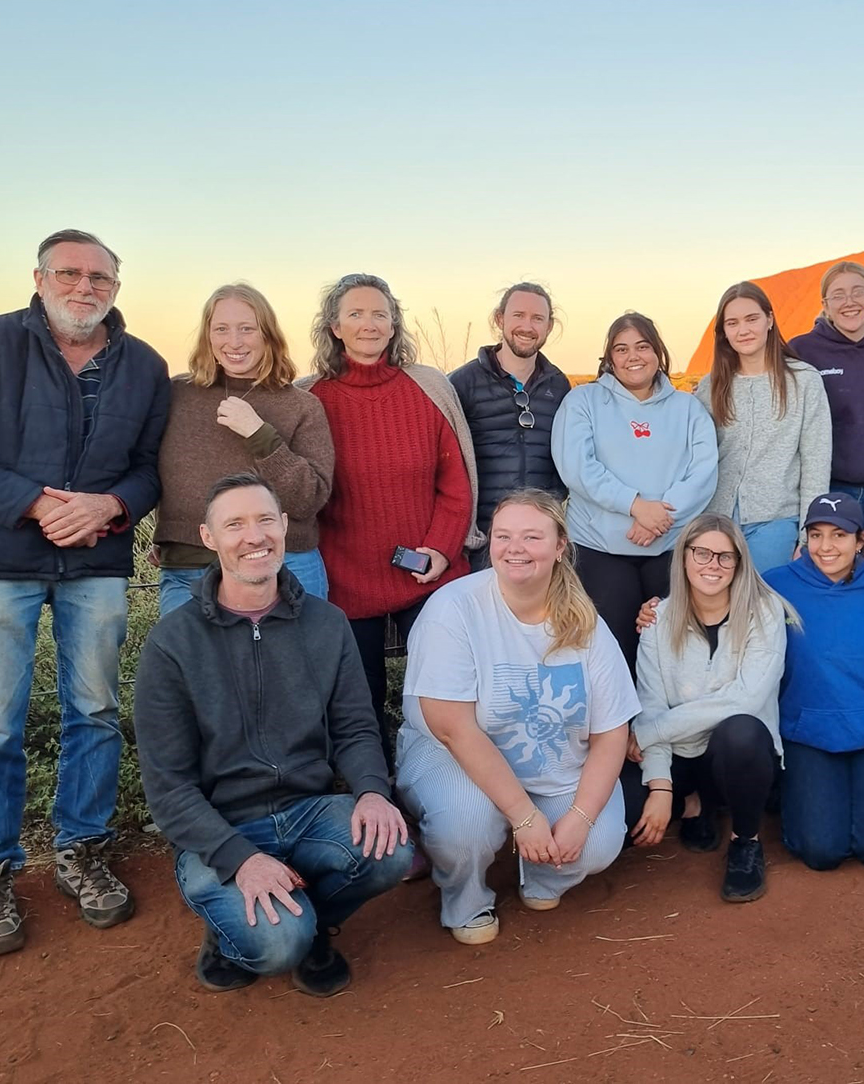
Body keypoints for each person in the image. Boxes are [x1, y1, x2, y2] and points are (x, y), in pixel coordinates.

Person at [0, 229, 169, 958]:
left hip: (93, 563)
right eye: (69, 272)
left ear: (116, 289)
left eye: (100, 277)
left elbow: (151, 470)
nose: (84, 286)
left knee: (93, 711)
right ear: (39, 278)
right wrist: (37, 503)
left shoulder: (145, 366)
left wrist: (109, 507)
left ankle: (83, 852)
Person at [135, 474, 410, 995]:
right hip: (222, 826)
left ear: (285, 526)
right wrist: (241, 859)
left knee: (389, 850)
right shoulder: (173, 642)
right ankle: (241, 932)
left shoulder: (328, 624)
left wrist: (373, 791)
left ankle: (313, 926)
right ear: (208, 537)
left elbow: (355, 727)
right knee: (278, 946)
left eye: (265, 520)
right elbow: (169, 787)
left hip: (308, 808)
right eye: (234, 524)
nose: (254, 536)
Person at [394, 490, 639, 944]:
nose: (515, 548)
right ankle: (465, 900)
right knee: (465, 824)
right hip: (455, 753)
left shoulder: (584, 620)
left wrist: (580, 818)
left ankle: (542, 872)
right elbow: (453, 728)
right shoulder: (453, 609)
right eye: (504, 536)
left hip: (548, 754)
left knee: (598, 842)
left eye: (532, 536)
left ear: (561, 546)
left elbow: (611, 732)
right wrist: (525, 817)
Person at [302, 273, 482, 759]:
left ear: (394, 323)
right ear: (335, 327)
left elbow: (456, 482)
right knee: (360, 701)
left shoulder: (428, 387)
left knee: (448, 691)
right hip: (345, 576)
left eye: (379, 313)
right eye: (355, 314)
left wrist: (443, 550)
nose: (369, 324)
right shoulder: (308, 397)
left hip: (426, 569)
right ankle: (376, 790)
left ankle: (450, 780)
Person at [621, 516, 792, 902]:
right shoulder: (658, 619)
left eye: (724, 557)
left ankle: (745, 840)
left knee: (742, 731)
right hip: (681, 757)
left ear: (739, 564)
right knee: (623, 823)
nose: (712, 565)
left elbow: (745, 699)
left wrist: (650, 734)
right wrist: (661, 788)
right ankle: (693, 803)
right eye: (702, 553)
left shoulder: (764, 613)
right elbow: (650, 706)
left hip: (734, 755)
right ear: (683, 558)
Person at [764, 493, 864, 873]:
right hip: (808, 730)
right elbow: (718, 607)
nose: (826, 546)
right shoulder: (773, 586)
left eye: (839, 535)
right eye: (816, 535)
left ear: (860, 540)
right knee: (821, 852)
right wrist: (657, 608)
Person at [153, 282, 334, 615]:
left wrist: (260, 434)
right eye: (221, 328)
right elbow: (153, 470)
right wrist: (166, 536)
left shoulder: (302, 406)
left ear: (267, 335)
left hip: (284, 566)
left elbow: (310, 499)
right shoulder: (176, 395)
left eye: (247, 329)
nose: (233, 342)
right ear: (207, 335)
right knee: (192, 668)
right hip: (188, 570)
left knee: (296, 667)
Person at [550, 312, 718, 667]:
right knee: (612, 650)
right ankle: (618, 723)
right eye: (621, 349)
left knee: (673, 649)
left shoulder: (688, 408)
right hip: (600, 548)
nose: (633, 357)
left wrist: (658, 514)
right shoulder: (583, 402)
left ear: (658, 352)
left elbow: (703, 473)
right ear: (609, 358)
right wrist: (635, 505)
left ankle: (668, 723)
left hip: (669, 547)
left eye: (643, 346)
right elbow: (577, 468)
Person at [694, 282, 832, 573]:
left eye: (751, 319)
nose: (743, 330)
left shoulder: (803, 381)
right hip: (715, 523)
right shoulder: (710, 386)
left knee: (765, 610)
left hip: (776, 523)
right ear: (723, 332)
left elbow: (816, 463)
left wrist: (808, 537)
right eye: (732, 323)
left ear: (769, 320)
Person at [789, 261, 864, 568]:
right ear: (825, 304)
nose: (849, 302)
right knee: (831, 576)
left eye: (858, 292)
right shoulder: (802, 350)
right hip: (831, 489)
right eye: (838, 295)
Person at [450, 283, 572, 569]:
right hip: (483, 537)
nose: (527, 326)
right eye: (518, 315)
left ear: (549, 326)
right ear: (499, 318)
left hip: (540, 535)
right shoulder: (461, 383)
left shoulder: (559, 385)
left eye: (537, 318)